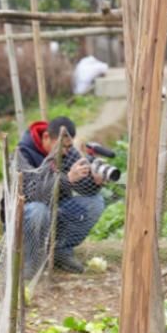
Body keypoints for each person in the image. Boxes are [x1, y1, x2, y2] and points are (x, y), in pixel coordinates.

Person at [17, 116, 105, 275]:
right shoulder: (22, 154)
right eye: (63, 147)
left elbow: (85, 189)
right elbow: (32, 193)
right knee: (38, 210)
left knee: (95, 202)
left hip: (56, 212)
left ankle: (60, 250)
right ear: (46, 137)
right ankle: (30, 259)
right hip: (25, 218)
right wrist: (68, 179)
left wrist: (95, 180)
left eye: (69, 147)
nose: (66, 151)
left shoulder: (67, 152)